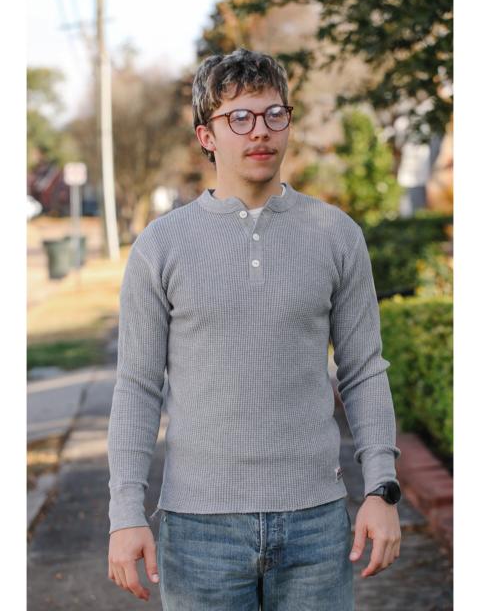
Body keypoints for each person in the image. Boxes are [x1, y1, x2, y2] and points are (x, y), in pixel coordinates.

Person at [107, 48, 402, 610]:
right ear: (207, 136)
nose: (260, 131)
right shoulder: (160, 246)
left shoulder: (336, 235)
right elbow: (138, 387)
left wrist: (381, 489)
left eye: (273, 114)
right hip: (199, 531)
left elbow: (364, 370)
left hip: (316, 522)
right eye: (239, 117)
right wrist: (125, 514)